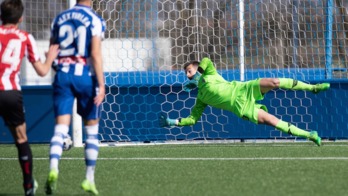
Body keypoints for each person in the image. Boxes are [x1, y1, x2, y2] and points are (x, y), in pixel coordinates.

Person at [159, 57, 330, 146]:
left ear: (197, 69)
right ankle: (310, 135)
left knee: (275, 82)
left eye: (189, 71)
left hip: (244, 88)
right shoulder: (201, 98)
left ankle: (313, 88)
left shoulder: (209, 73)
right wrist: (172, 121)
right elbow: (193, 119)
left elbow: (207, 60)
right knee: (272, 120)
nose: (188, 75)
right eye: (186, 74)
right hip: (242, 107)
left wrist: (201, 72)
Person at [45, 0, 105, 195]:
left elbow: (52, 51)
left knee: (61, 128)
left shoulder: (59, 18)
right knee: (92, 131)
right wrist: (102, 84)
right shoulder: (94, 19)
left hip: (62, 75)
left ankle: (54, 167)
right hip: (85, 77)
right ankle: (89, 179)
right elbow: (95, 54)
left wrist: (59, 70)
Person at [0, 0, 59, 195]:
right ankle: (28, 187)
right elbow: (42, 71)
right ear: (21, 18)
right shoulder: (25, 37)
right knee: (21, 139)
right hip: (10, 93)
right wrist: (50, 57)